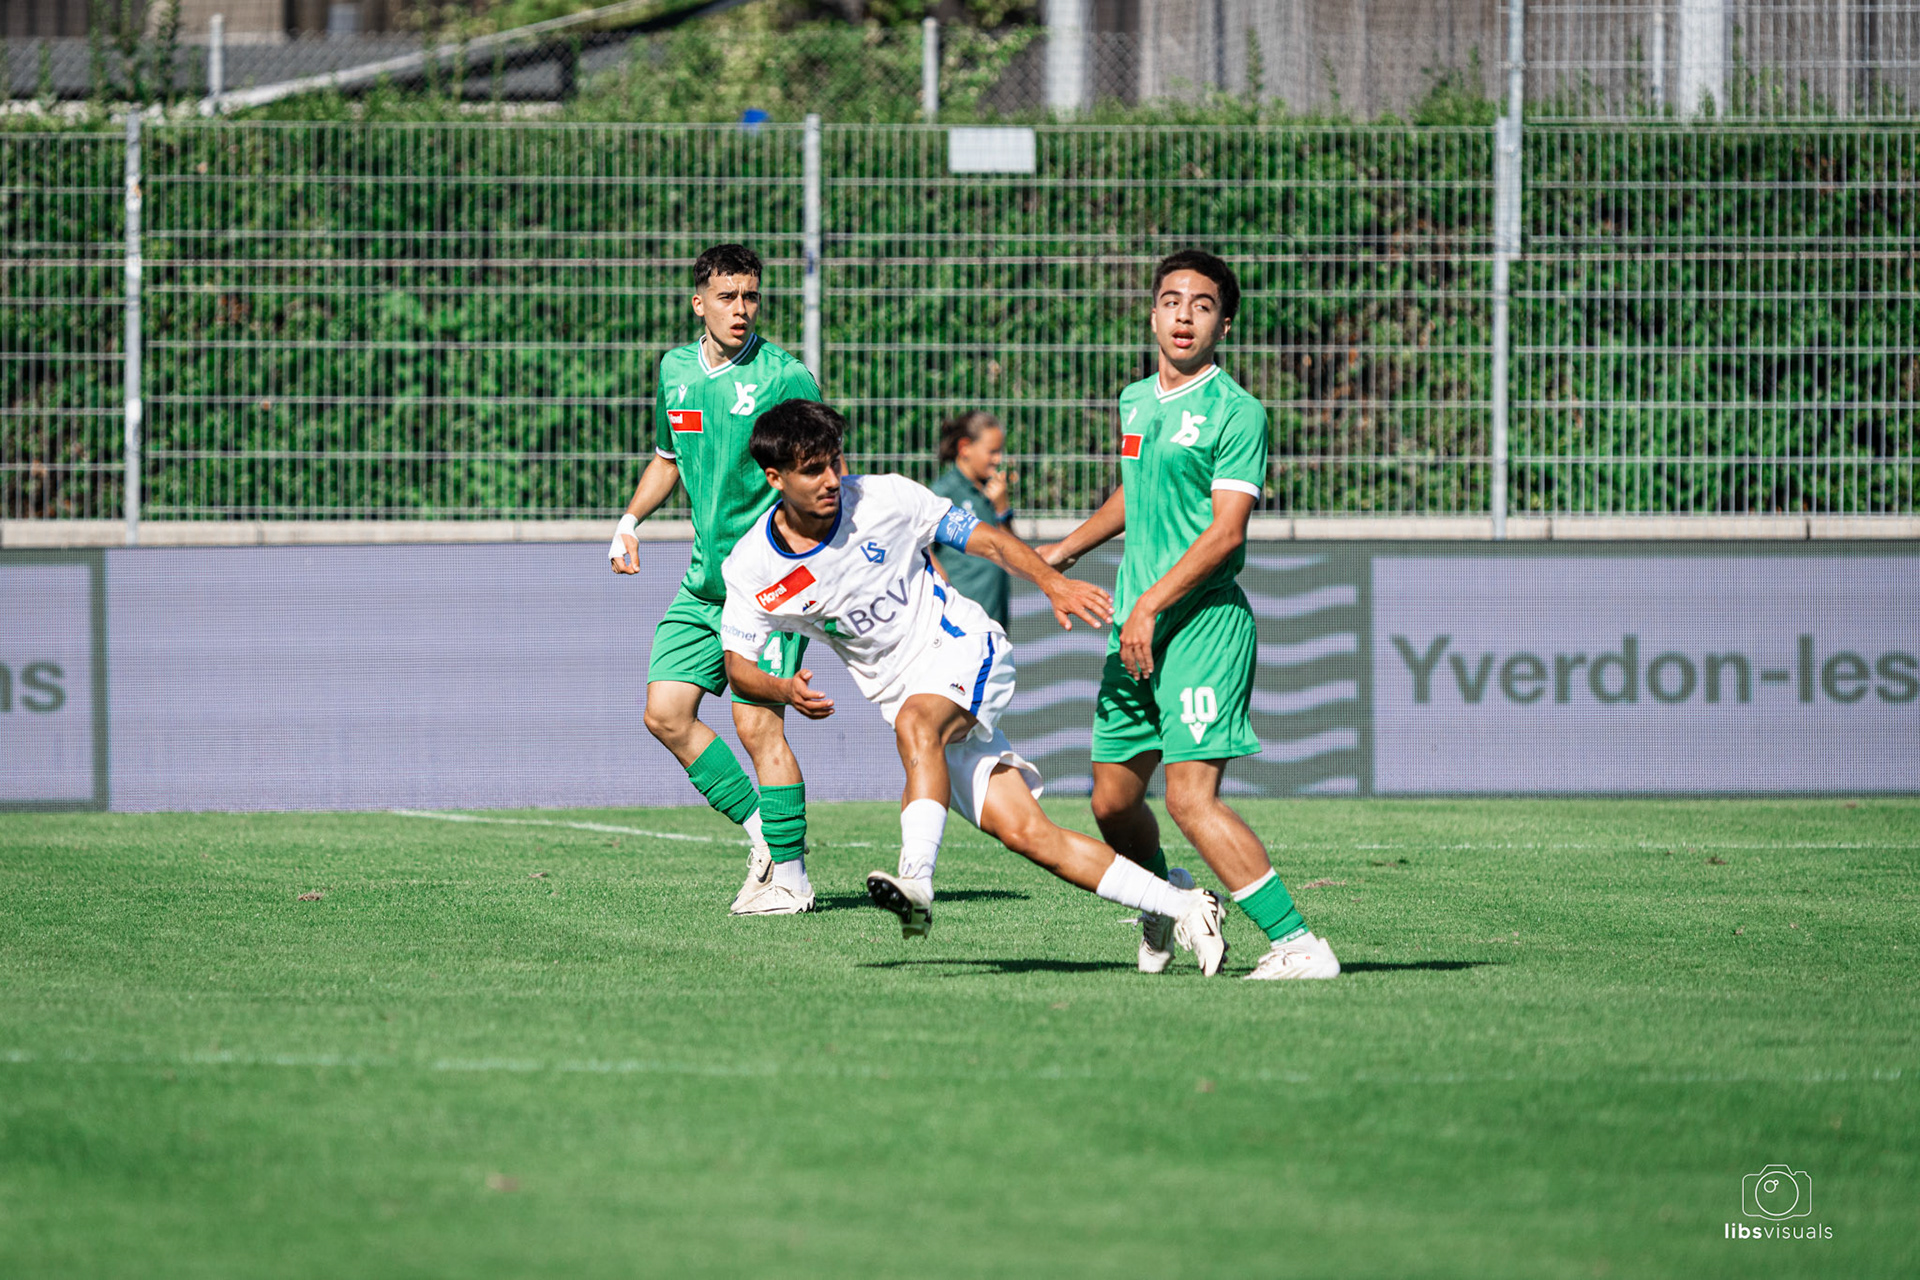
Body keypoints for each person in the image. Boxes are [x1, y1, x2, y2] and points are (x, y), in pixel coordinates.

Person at [718, 400, 1230, 973]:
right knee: (1029, 834)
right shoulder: (752, 566)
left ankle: (915, 883)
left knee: (917, 725)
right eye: (813, 470)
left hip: (963, 647)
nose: (833, 479)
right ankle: (1183, 903)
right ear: (775, 478)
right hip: (909, 702)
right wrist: (782, 689)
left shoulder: (885, 498)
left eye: (836, 462)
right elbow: (738, 667)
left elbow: (984, 538)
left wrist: (1050, 582)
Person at [1038, 250, 1341, 980]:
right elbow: (1135, 492)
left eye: (1201, 305)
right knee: (1112, 802)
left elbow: (1225, 532)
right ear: (1152, 313)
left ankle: (1300, 945)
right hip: (1139, 628)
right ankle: (1171, 900)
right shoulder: (1136, 399)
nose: (1183, 315)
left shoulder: (1238, 412)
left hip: (1200, 625)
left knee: (1188, 796)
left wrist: (1148, 603)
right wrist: (1066, 550)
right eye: (1171, 301)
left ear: (1224, 324)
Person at [608, 244, 821, 916]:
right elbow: (669, 456)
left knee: (758, 725)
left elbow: (825, 474)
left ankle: (793, 879)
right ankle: (765, 837)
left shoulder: (785, 377)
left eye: (750, 297)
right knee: (665, 713)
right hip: (705, 584)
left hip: (771, 586)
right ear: (699, 301)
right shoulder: (675, 369)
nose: (741, 309)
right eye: (728, 297)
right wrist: (630, 520)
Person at [929, 411, 1015, 631]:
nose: (998, 459)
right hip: (959, 627)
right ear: (965, 448)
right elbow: (921, 548)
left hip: (994, 622)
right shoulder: (943, 493)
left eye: (1000, 451)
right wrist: (947, 595)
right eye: (992, 452)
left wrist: (1002, 510)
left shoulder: (994, 492)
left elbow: (1011, 552)